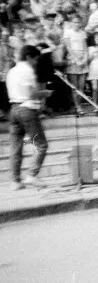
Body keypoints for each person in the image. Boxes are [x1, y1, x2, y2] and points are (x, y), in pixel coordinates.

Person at [7, 45, 52, 190]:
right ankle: (32, 175)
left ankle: (15, 180)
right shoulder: (27, 71)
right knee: (41, 144)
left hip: (13, 108)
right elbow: (31, 94)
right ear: (28, 57)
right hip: (27, 109)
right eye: (35, 59)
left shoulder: (11, 71)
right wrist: (45, 93)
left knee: (16, 146)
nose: (36, 62)